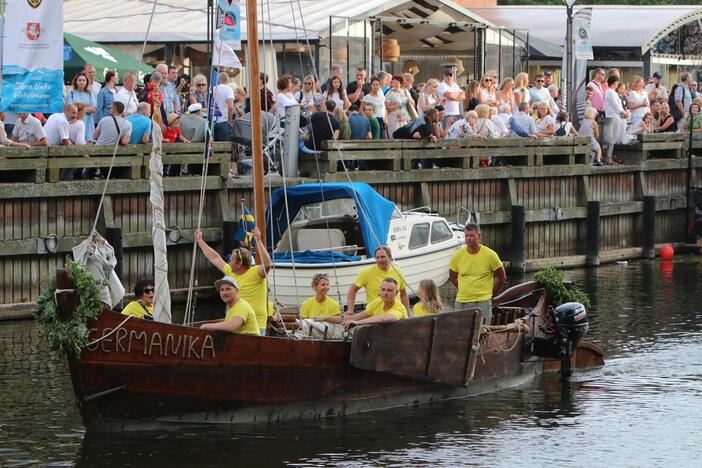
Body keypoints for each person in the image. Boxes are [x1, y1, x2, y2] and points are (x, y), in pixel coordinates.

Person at [195, 226, 272, 335]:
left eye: (231, 260)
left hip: (255, 327)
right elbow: (215, 258)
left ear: (239, 264)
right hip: (236, 324)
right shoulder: (231, 272)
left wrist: (258, 240)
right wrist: (200, 241)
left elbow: (267, 264)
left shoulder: (256, 273)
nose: (228, 262)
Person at [449, 222, 506, 324]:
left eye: (471, 235)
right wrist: (464, 288)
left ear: (479, 237)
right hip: (461, 301)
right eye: (466, 236)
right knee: (460, 334)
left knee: (482, 333)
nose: (468, 238)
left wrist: (491, 295)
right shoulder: (457, 256)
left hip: (482, 302)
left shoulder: (490, 255)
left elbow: (502, 278)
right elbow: (453, 277)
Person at [346, 246, 410, 313]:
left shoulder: (398, 272)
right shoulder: (367, 273)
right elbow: (352, 290)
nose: (380, 260)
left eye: (383, 257)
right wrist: (350, 310)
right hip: (375, 314)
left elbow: (403, 295)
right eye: (377, 257)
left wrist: (408, 314)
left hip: (395, 311)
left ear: (390, 257)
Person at [342, 278, 407, 330]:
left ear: (396, 293)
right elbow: (356, 318)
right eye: (383, 289)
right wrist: (345, 320)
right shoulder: (378, 302)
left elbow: (384, 319)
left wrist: (357, 323)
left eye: (389, 290)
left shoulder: (400, 308)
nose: (385, 293)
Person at [66, 72, 97, 142]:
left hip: (88, 123)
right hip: (75, 122)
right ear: (76, 82)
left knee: (89, 143)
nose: (82, 82)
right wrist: (85, 106)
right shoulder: (71, 94)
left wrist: (83, 109)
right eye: (79, 80)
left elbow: (94, 108)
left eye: (83, 80)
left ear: (86, 82)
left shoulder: (90, 94)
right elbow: (71, 108)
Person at [604, 75, 628, 164]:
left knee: (615, 138)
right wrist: (623, 112)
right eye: (617, 82)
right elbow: (616, 106)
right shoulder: (610, 92)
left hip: (617, 117)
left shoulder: (613, 92)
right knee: (612, 138)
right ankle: (608, 158)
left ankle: (611, 156)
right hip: (613, 117)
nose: (617, 84)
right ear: (613, 83)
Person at [212, 71, 235, 141]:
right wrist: (229, 119)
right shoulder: (229, 89)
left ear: (219, 79)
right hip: (223, 121)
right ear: (228, 80)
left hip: (213, 121)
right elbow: (230, 107)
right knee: (224, 147)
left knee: (213, 147)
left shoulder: (213, 89)